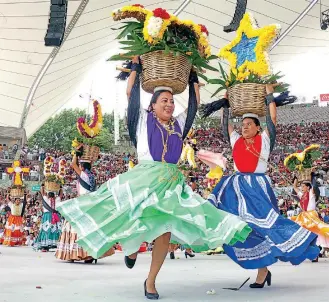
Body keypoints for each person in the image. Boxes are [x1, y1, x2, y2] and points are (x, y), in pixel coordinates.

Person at [57, 57, 251, 300]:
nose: (169, 105)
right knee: (131, 217)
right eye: (164, 101)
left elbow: (193, 107)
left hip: (171, 185)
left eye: (171, 101)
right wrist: (136, 68)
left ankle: (150, 280)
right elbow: (131, 94)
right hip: (144, 179)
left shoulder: (178, 125)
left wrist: (192, 79)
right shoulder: (142, 120)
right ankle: (130, 249)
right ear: (153, 105)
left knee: (165, 231)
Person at [207, 85, 319, 288]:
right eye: (243, 124)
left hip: (257, 186)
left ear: (258, 127)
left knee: (263, 226)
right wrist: (225, 103)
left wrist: (269, 96)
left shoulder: (265, 139)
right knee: (240, 227)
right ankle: (263, 270)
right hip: (237, 187)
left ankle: (294, 244)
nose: (244, 127)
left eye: (249, 124)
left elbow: (273, 120)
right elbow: (226, 125)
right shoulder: (236, 141)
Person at [55, 154, 115, 263]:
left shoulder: (84, 175)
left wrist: (76, 153)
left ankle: (74, 253)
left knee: (73, 225)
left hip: (82, 203)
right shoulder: (91, 176)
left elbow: (73, 164)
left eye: (80, 166)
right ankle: (89, 254)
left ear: (82, 167)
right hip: (90, 204)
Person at [292, 169, 329, 250]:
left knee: (318, 231)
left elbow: (314, 186)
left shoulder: (311, 194)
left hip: (311, 215)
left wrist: (312, 176)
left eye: (303, 186)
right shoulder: (302, 195)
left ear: (308, 187)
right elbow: (295, 188)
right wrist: (295, 180)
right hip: (304, 215)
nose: (301, 188)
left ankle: (319, 246)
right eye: (301, 186)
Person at [33, 185, 62, 252]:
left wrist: (42, 186)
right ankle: (56, 243)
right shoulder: (57, 200)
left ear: (48, 196)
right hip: (56, 215)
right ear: (54, 196)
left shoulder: (46, 199)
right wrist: (60, 188)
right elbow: (60, 195)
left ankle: (45, 245)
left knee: (46, 229)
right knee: (56, 229)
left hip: (47, 216)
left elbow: (42, 193)